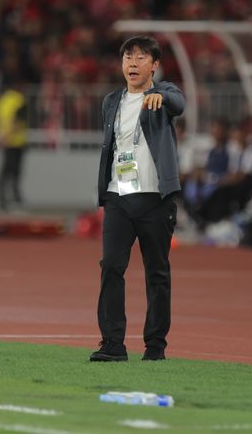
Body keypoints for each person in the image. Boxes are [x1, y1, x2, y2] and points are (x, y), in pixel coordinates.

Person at [91, 36, 185, 362]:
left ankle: (155, 346)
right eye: (128, 58)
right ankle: (113, 344)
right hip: (119, 196)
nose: (133, 63)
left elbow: (178, 102)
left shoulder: (163, 96)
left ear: (154, 65)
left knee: (156, 272)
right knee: (111, 267)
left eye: (141, 58)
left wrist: (160, 94)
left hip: (155, 198)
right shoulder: (111, 102)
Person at [0, 85, 27, 210]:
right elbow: (18, 120)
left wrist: (2, 137)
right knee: (15, 172)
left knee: (5, 171)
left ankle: (2, 200)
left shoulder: (1, 102)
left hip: (5, 141)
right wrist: (8, 135)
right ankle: (15, 200)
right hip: (16, 141)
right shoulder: (19, 99)